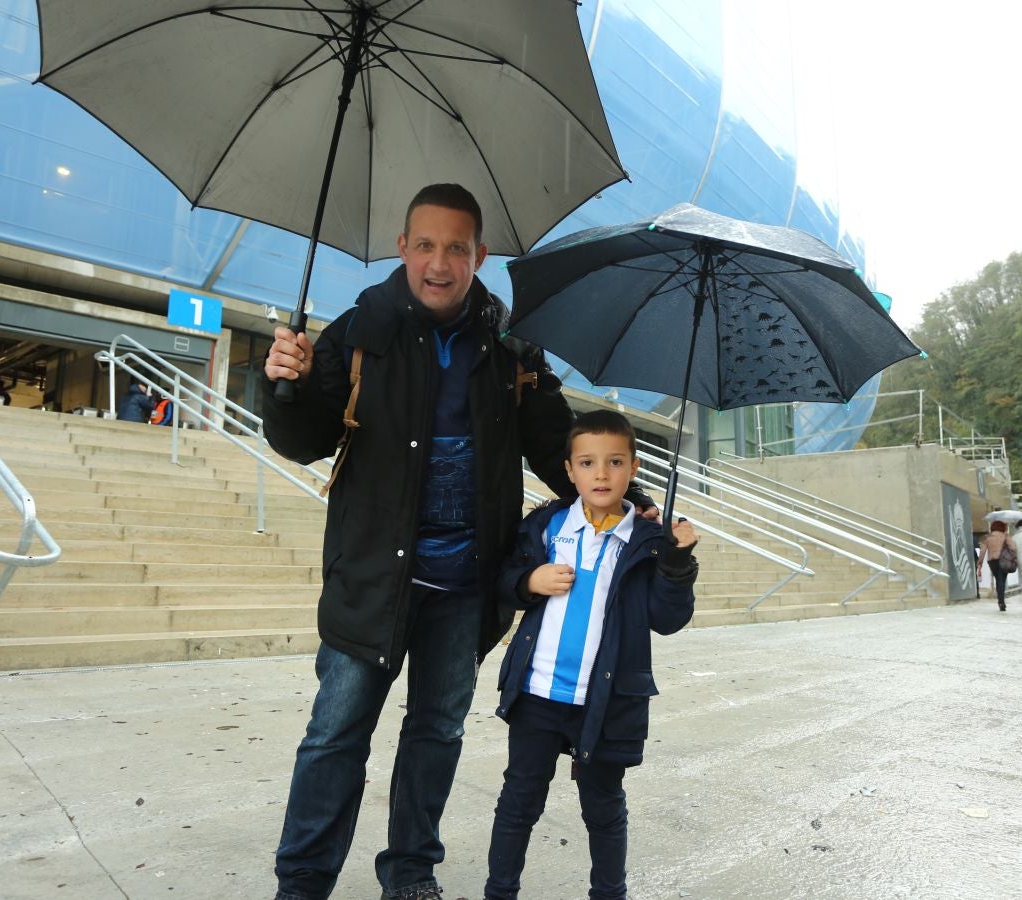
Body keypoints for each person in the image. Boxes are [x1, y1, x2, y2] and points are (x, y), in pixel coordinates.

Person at [260, 184, 657, 900]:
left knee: (436, 733)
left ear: (479, 256)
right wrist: (285, 386)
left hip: (465, 588)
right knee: (334, 736)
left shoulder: (510, 348)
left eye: (456, 248)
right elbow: (302, 441)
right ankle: (303, 882)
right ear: (403, 248)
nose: (438, 263)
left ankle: (411, 873)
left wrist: (628, 504)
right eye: (424, 245)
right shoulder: (360, 331)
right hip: (371, 581)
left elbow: (555, 450)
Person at [483, 410, 698, 900]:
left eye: (615, 461)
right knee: (518, 801)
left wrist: (677, 561)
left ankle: (609, 893)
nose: (601, 474)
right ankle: (499, 892)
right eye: (588, 462)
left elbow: (667, 619)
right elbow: (501, 580)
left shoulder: (648, 542)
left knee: (603, 807)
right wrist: (528, 582)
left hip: (607, 702)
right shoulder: (544, 526)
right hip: (537, 692)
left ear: (635, 468)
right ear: (569, 469)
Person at [976, 521, 1014, 611]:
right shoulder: (1006, 536)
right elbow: (1013, 548)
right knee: (1002, 580)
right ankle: (1002, 600)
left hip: (993, 561)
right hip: (1004, 560)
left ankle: (1000, 601)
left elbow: (983, 551)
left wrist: (980, 562)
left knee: (998, 579)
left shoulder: (988, 537)